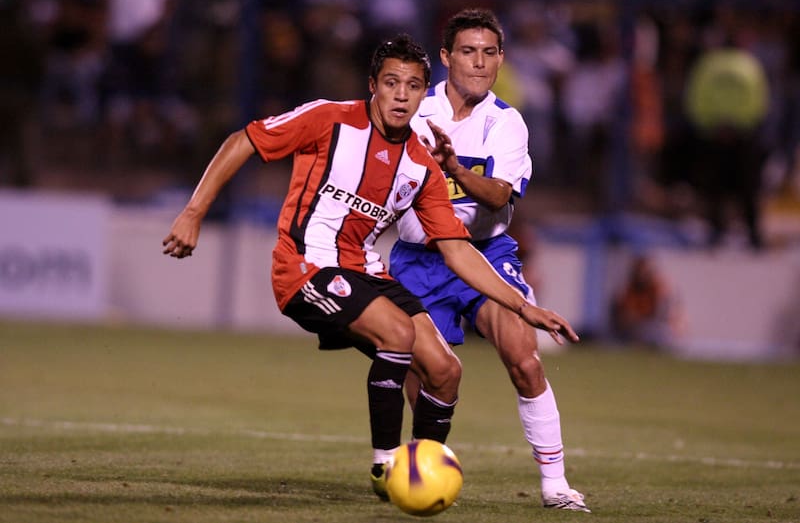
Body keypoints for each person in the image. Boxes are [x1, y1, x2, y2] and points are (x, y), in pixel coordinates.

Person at [162, 34, 579, 499]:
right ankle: (386, 467)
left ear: (425, 94)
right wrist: (194, 212)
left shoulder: (421, 164)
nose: (402, 95)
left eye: (413, 86)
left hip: (364, 269)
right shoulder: (330, 119)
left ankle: (420, 474)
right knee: (398, 335)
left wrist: (524, 308)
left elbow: (459, 251)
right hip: (305, 265)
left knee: (445, 370)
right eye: (392, 83)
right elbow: (245, 140)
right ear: (373, 86)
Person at [389, 9, 590, 512]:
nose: (479, 63)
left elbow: (499, 196)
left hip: (485, 252)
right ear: (445, 57)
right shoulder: (412, 109)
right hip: (418, 257)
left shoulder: (507, 122)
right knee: (430, 376)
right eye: (467, 51)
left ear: (500, 59)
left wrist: (453, 167)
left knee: (523, 356)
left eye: (488, 52)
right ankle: (423, 470)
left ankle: (556, 486)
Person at [610, 254, 685, 349]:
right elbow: (625, 316)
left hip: (656, 326)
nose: (642, 274)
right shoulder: (629, 289)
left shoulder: (658, 286)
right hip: (637, 328)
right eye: (639, 271)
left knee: (659, 331)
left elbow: (664, 313)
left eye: (644, 271)